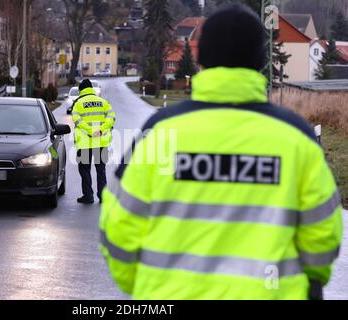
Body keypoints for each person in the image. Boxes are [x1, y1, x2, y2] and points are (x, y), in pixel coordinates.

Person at [99, 4, 343, 300]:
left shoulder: (159, 133)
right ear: (259, 60)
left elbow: (119, 228)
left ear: (201, 59)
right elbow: (323, 236)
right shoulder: (296, 138)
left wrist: (145, 286)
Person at [72, 79, 116, 204]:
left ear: (81, 90)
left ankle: (88, 196)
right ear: (91, 89)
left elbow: (76, 120)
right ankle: (103, 196)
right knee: (101, 170)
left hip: (85, 145)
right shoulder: (103, 102)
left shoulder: (78, 103)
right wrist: (101, 130)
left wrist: (90, 131)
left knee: (85, 170)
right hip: (101, 143)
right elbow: (112, 117)